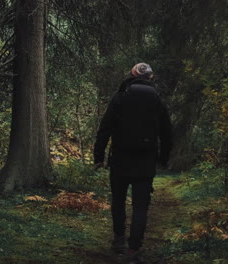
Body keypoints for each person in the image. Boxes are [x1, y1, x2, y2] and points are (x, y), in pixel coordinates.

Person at [94, 62, 172, 264]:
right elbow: (167, 133)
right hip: (145, 161)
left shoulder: (120, 97)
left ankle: (119, 240)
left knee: (118, 200)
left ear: (131, 75)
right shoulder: (157, 100)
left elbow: (105, 127)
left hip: (120, 158)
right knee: (140, 207)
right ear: (150, 78)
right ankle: (133, 251)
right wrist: (163, 158)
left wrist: (99, 156)